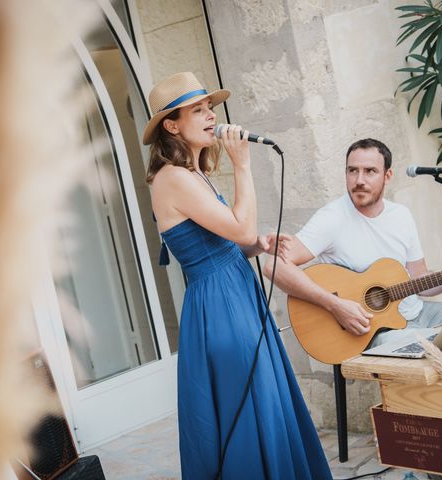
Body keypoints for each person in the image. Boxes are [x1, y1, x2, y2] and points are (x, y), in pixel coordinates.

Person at [144, 72, 332, 480]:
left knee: (262, 397)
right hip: (220, 305)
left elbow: (233, 237)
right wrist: (242, 166)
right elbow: (238, 228)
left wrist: (257, 245)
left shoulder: (194, 174)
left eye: (210, 107)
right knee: (248, 405)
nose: (212, 116)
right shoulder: (172, 178)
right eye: (198, 110)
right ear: (171, 125)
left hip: (236, 290)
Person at [264, 138, 442, 349]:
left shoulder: (401, 215)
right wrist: (335, 305)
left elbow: (418, 278)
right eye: (353, 170)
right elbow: (274, 266)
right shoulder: (331, 218)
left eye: (370, 171)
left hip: (418, 314)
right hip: (371, 331)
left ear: (387, 176)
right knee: (435, 348)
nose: (359, 180)